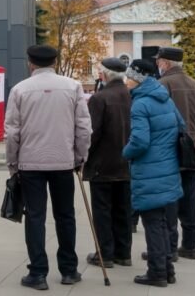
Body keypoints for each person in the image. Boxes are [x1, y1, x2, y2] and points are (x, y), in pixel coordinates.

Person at [5, 45, 91, 291]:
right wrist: (80, 156)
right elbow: (84, 127)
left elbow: (12, 132)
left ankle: (38, 272)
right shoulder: (73, 87)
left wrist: (12, 162)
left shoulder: (20, 89)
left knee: (35, 216)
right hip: (63, 160)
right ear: (55, 61)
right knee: (65, 215)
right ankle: (69, 269)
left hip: (30, 162)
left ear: (30, 62)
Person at [122, 59, 183, 288]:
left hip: (149, 170)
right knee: (164, 221)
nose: (125, 81)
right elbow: (181, 126)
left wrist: (125, 152)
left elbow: (139, 141)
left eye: (128, 77)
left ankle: (157, 272)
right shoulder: (163, 97)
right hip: (167, 167)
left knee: (153, 223)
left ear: (137, 79)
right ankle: (167, 269)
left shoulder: (140, 103)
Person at [155, 46, 195, 261]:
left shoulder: (163, 85)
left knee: (168, 199)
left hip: (168, 150)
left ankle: (168, 247)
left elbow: (158, 118)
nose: (157, 65)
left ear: (166, 63)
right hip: (191, 148)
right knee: (188, 198)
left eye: (159, 61)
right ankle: (190, 245)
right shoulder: (194, 84)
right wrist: (192, 136)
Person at [83, 57, 132, 269]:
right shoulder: (131, 95)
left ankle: (105, 253)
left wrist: (82, 156)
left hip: (103, 164)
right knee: (123, 209)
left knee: (102, 210)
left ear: (104, 75)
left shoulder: (99, 98)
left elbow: (92, 134)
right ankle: (124, 252)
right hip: (127, 163)